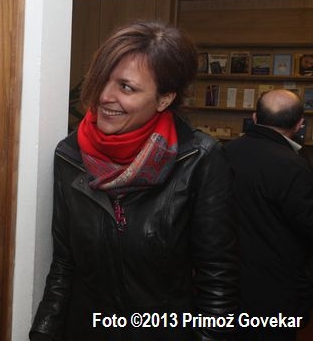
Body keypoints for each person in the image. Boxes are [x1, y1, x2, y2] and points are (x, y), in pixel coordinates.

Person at [30, 21, 239, 341]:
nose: (104, 96)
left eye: (126, 88)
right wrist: (43, 332)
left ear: (164, 99)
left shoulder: (198, 159)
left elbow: (218, 280)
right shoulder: (70, 156)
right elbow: (64, 263)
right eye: (103, 80)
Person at [225, 89, 313, 341]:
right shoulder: (295, 166)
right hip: (276, 288)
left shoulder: (224, 152)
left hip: (224, 279)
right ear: (299, 124)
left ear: (254, 118)